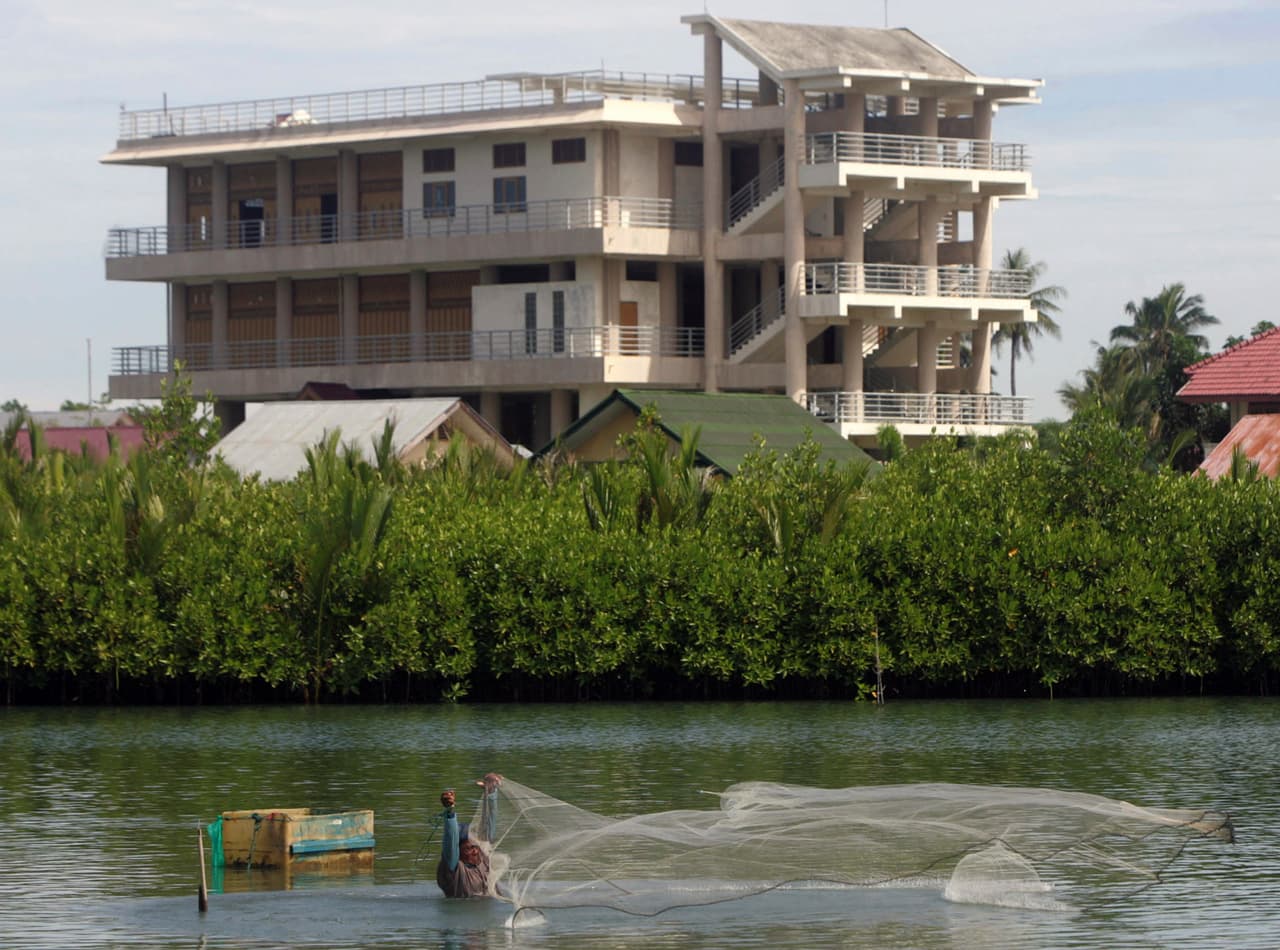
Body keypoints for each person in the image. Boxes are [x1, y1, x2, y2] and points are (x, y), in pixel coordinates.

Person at [436, 772, 502, 898]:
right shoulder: (454, 871)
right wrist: (449, 811)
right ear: (458, 852)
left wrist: (491, 792)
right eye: (468, 848)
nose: (475, 851)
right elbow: (450, 841)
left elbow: (489, 824)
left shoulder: (483, 861)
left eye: (475, 847)